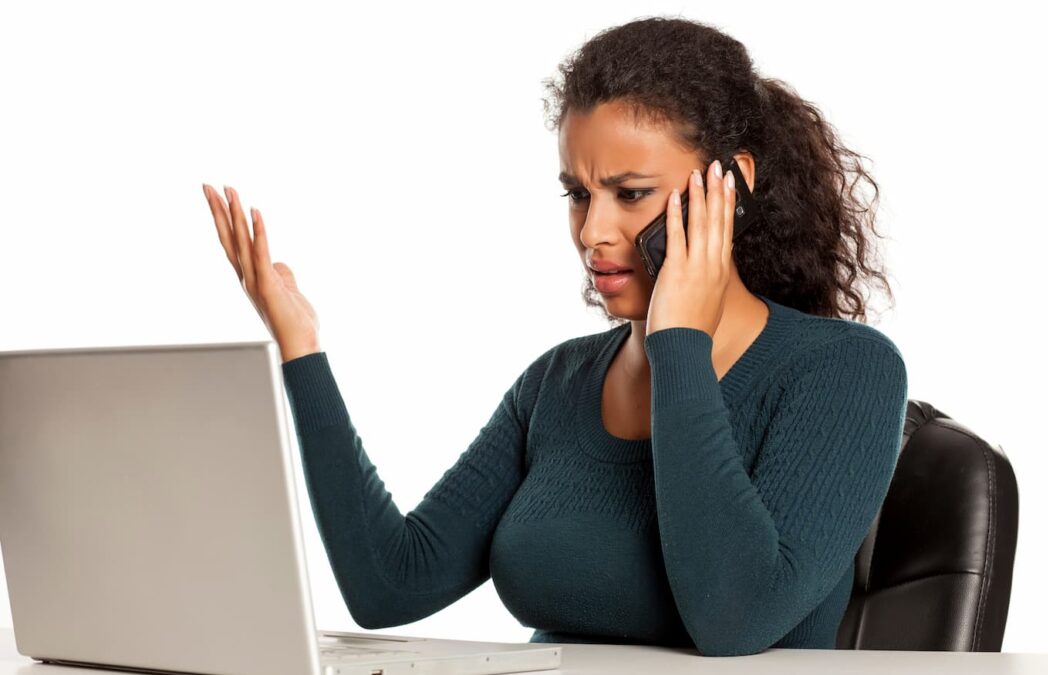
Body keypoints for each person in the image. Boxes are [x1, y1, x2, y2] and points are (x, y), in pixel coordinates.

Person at [200, 16, 908, 658]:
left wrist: (680, 342)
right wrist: (301, 346)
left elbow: (733, 616)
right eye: (577, 193)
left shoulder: (843, 371)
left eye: (630, 193)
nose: (593, 233)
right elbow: (391, 581)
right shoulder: (560, 383)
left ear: (733, 185)